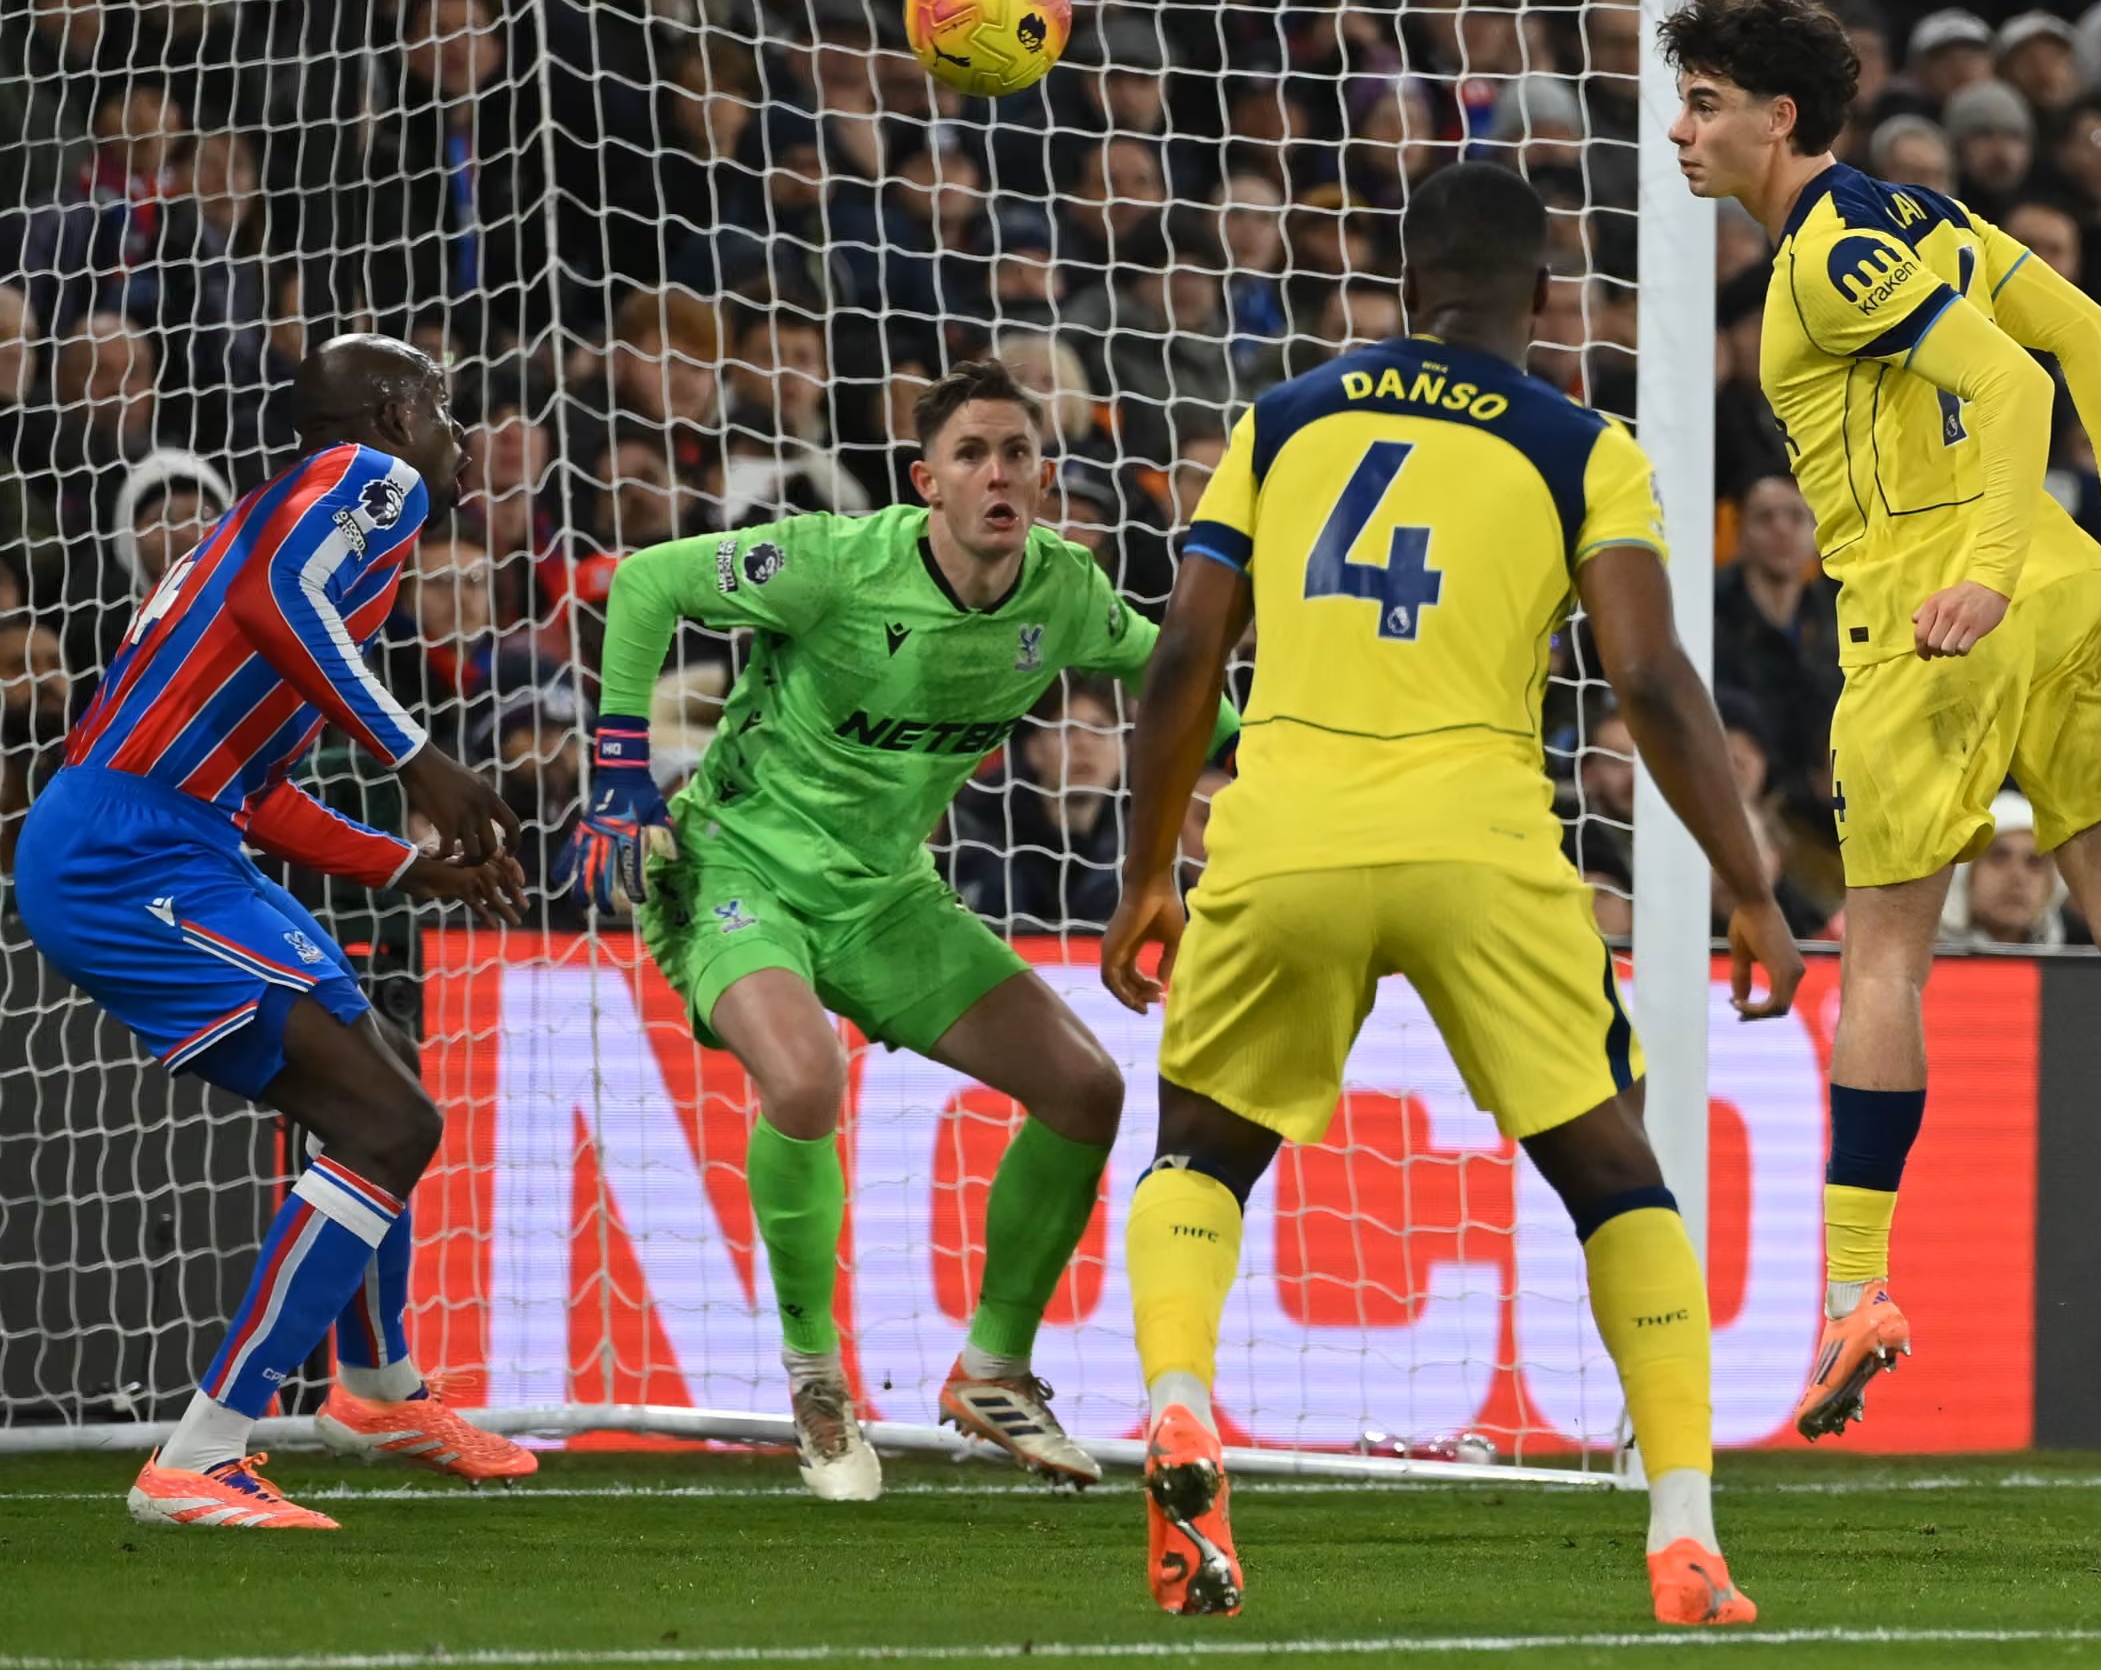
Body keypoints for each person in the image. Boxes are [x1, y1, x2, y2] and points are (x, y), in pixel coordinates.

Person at [1102, 160, 1799, 1627]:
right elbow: (1653, 679)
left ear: (1402, 280)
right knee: (1615, 1175)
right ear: (1543, 299)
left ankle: (1177, 1400)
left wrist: (1149, 870)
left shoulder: (1282, 420)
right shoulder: (1580, 444)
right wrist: (1750, 884)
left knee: (1199, 1159)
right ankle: (1683, 1531)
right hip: (1480, 848)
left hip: (1285, 830)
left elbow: (1181, 662)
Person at [1659, 0, 2101, 1442]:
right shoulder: (1925, 215)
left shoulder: (1817, 261)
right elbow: (2096, 338)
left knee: (1883, 959)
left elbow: (2006, 382)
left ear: (1779, 117)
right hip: (2064, 594)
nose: (1680, 131)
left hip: (1937, 615)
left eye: (1702, 104)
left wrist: (1989, 573)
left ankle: (1859, 1291)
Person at [556, 358, 1234, 1502]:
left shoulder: (1062, 592)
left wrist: (1278, 751)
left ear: (1046, 474)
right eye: (971, 456)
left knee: (1084, 1090)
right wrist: (621, 768)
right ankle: (819, 1384)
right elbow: (645, 585)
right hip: (737, 866)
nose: (998, 475)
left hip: (884, 895)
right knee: (806, 1080)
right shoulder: (832, 562)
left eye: (1017, 453)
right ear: (928, 482)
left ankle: (994, 1367)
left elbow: (1183, 683)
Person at [12, 336, 531, 1530]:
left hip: (179, 838)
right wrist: (416, 758)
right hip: (125, 852)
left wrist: (411, 867)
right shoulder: (369, 481)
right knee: (390, 1120)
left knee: (380, 1065)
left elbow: (262, 793)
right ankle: (200, 1452)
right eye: (445, 411)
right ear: (396, 413)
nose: (457, 439)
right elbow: (273, 600)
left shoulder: (289, 527)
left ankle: (376, 1387)